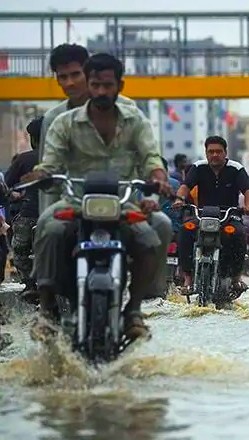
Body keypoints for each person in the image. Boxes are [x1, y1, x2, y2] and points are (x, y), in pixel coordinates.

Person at [25, 53, 173, 340]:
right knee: (47, 225)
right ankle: (45, 311)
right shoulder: (63, 122)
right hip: (75, 201)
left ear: (119, 84)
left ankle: (134, 310)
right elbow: (51, 161)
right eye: (96, 85)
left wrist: (158, 178)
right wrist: (42, 173)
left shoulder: (135, 119)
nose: (101, 91)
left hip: (125, 201)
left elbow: (151, 158)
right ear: (89, 85)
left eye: (107, 85)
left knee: (161, 226)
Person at [38, 44, 137, 214]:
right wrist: (45, 215)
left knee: (155, 232)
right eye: (63, 77)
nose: (70, 83)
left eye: (76, 74)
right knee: (48, 232)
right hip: (72, 205)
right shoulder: (53, 119)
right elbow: (49, 173)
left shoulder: (127, 109)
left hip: (122, 203)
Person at [173, 136, 249, 293]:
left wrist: (248, 205)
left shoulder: (236, 168)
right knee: (185, 230)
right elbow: (185, 186)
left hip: (229, 216)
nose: (215, 155)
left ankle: (236, 277)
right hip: (202, 214)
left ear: (225, 153)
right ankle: (188, 278)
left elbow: (248, 190)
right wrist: (179, 199)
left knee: (239, 234)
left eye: (218, 151)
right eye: (211, 152)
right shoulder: (198, 167)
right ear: (206, 153)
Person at [5, 116, 43, 299]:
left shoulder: (24, 159)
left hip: (30, 214)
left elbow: (6, 184)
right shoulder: (70, 159)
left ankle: (29, 284)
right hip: (62, 213)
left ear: (34, 139)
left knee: (19, 251)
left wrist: (11, 194)